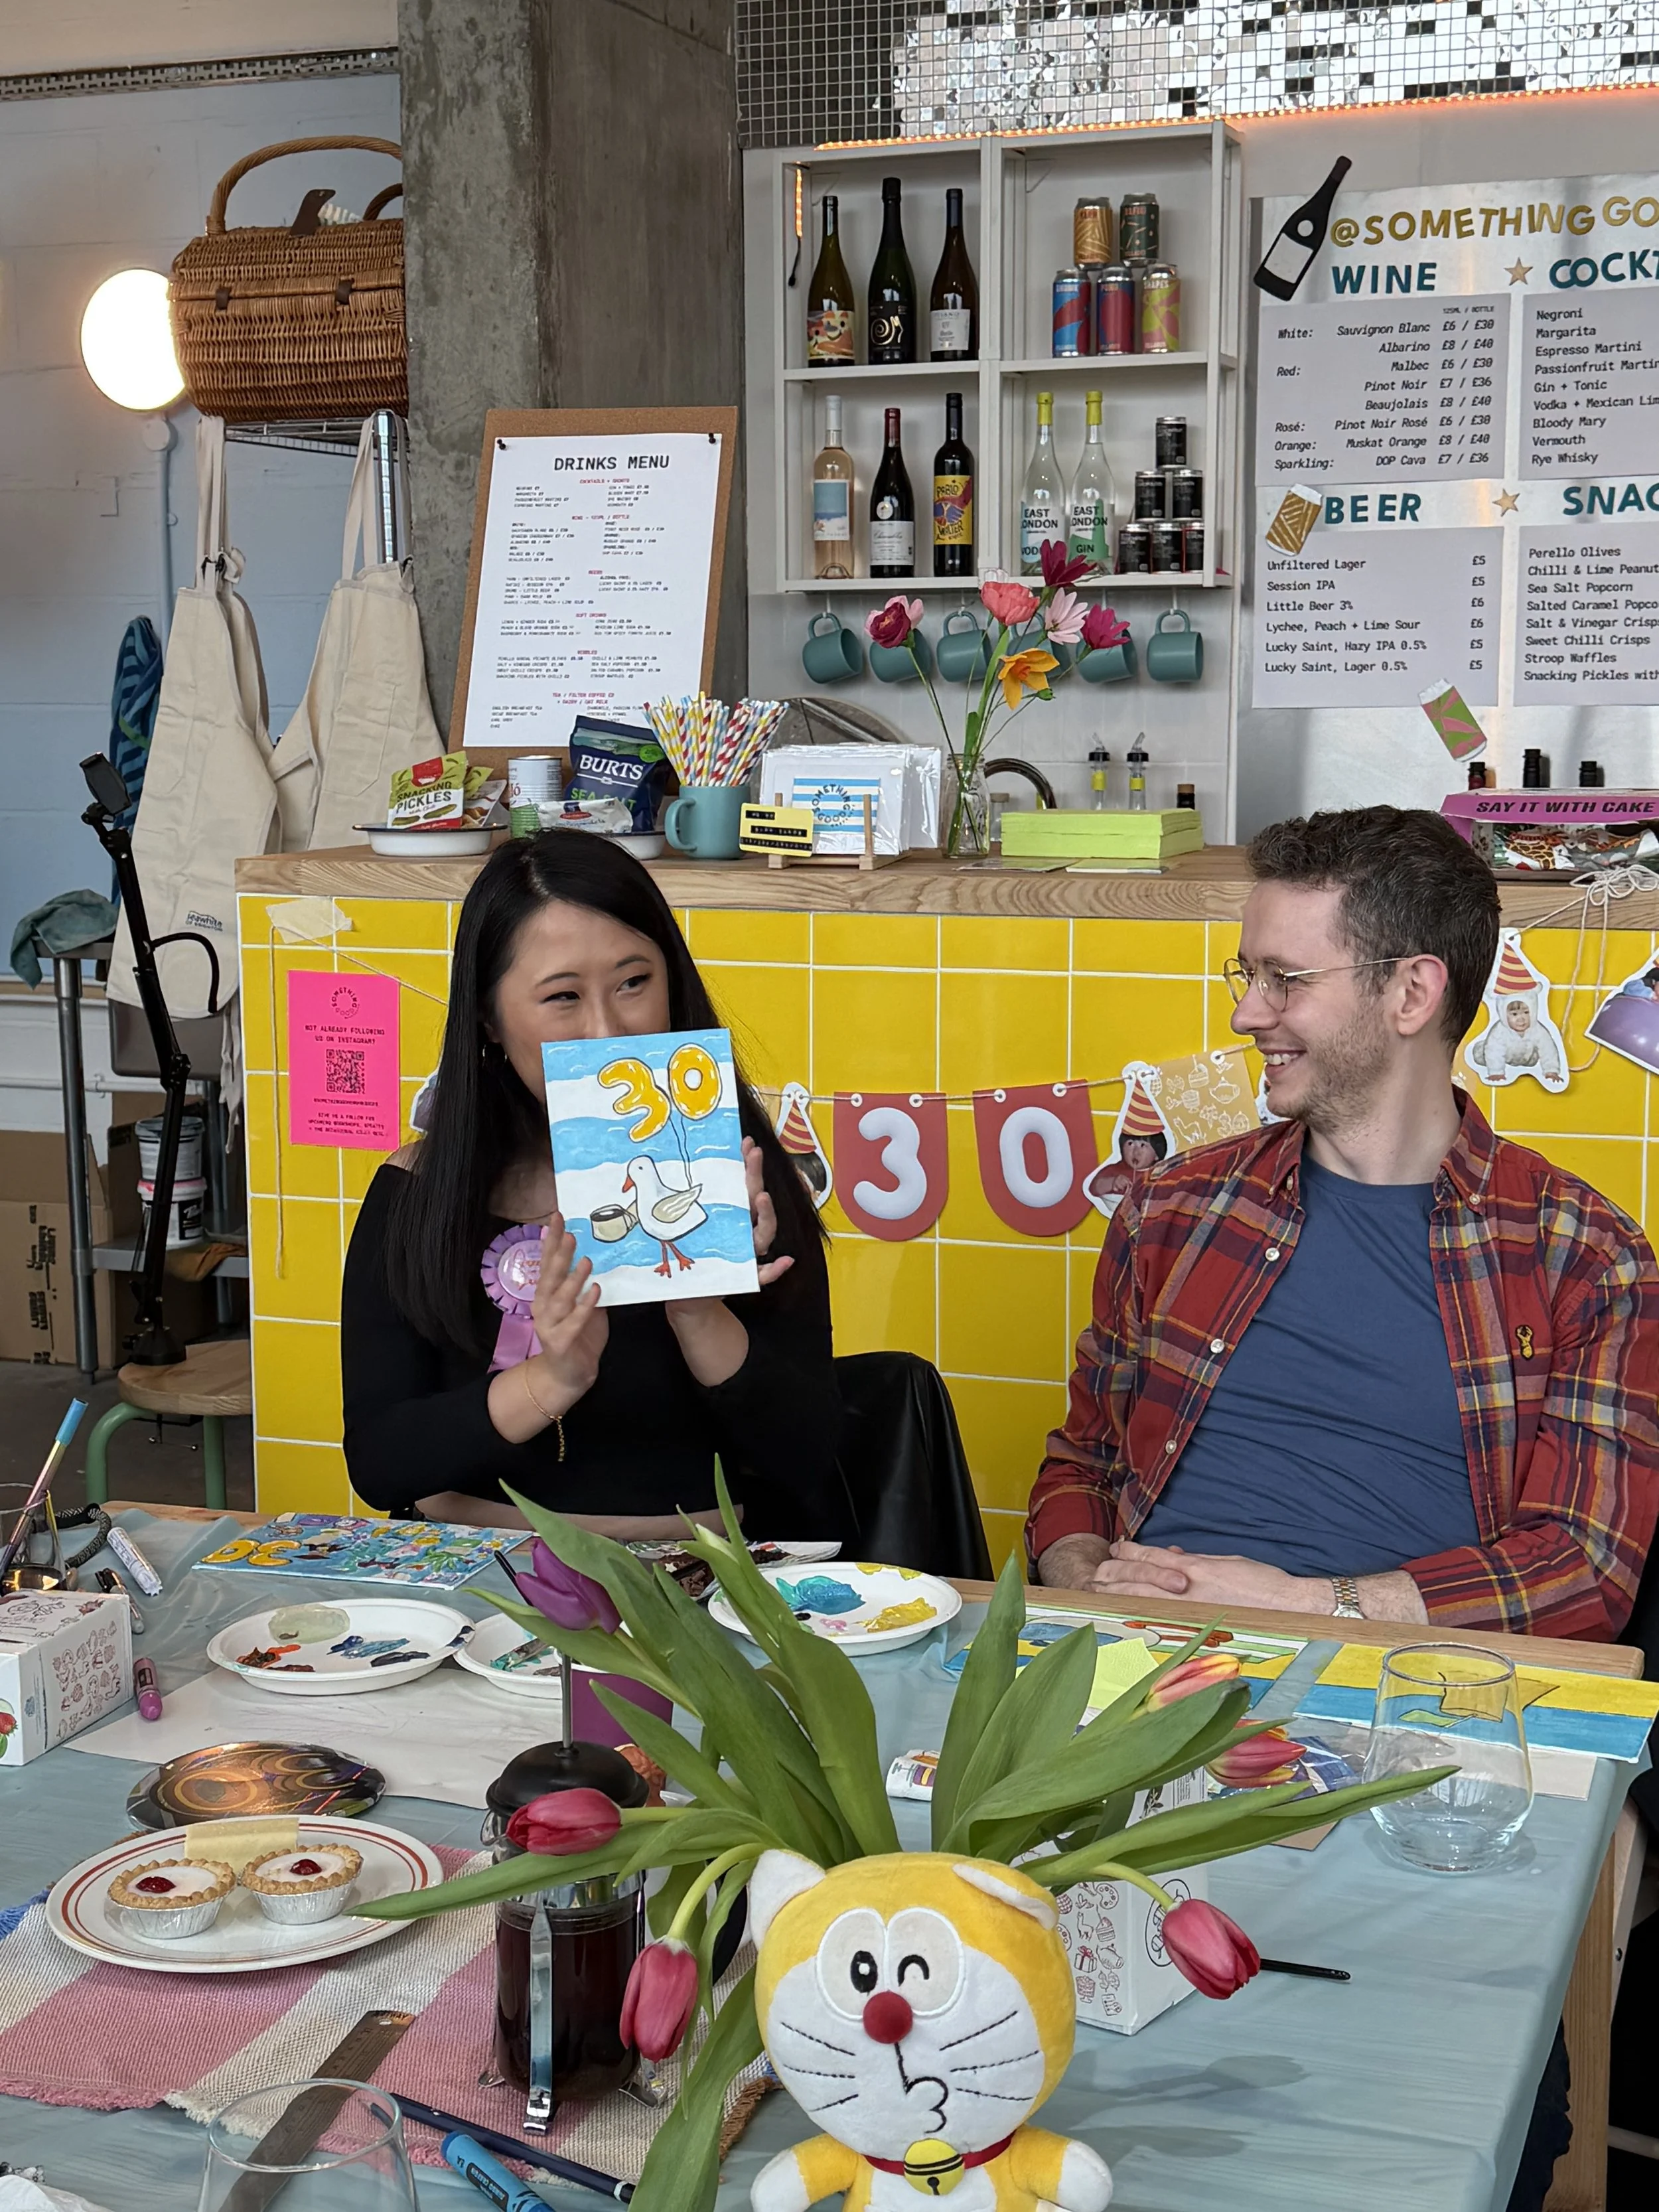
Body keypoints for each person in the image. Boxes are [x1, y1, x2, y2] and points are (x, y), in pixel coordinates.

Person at [1028, 805, 1659, 1638]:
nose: (1246, 1015)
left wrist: (1306, 1606)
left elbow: (1582, 1576)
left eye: (1286, 979)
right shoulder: (1173, 1208)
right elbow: (1083, 1466)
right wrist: (1085, 1590)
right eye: (1246, 975)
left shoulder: (1583, 1257)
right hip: (1136, 1660)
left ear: (1410, 993)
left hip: (1409, 1693)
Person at [342, 830, 849, 1540]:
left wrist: (700, 1307)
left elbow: (804, 1456)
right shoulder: (416, 1193)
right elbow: (379, 1464)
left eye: (634, 982)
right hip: (473, 1569)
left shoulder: (739, 1174)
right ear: (489, 1020)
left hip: (704, 1585)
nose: (608, 1030)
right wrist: (552, 1380)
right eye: (562, 998)